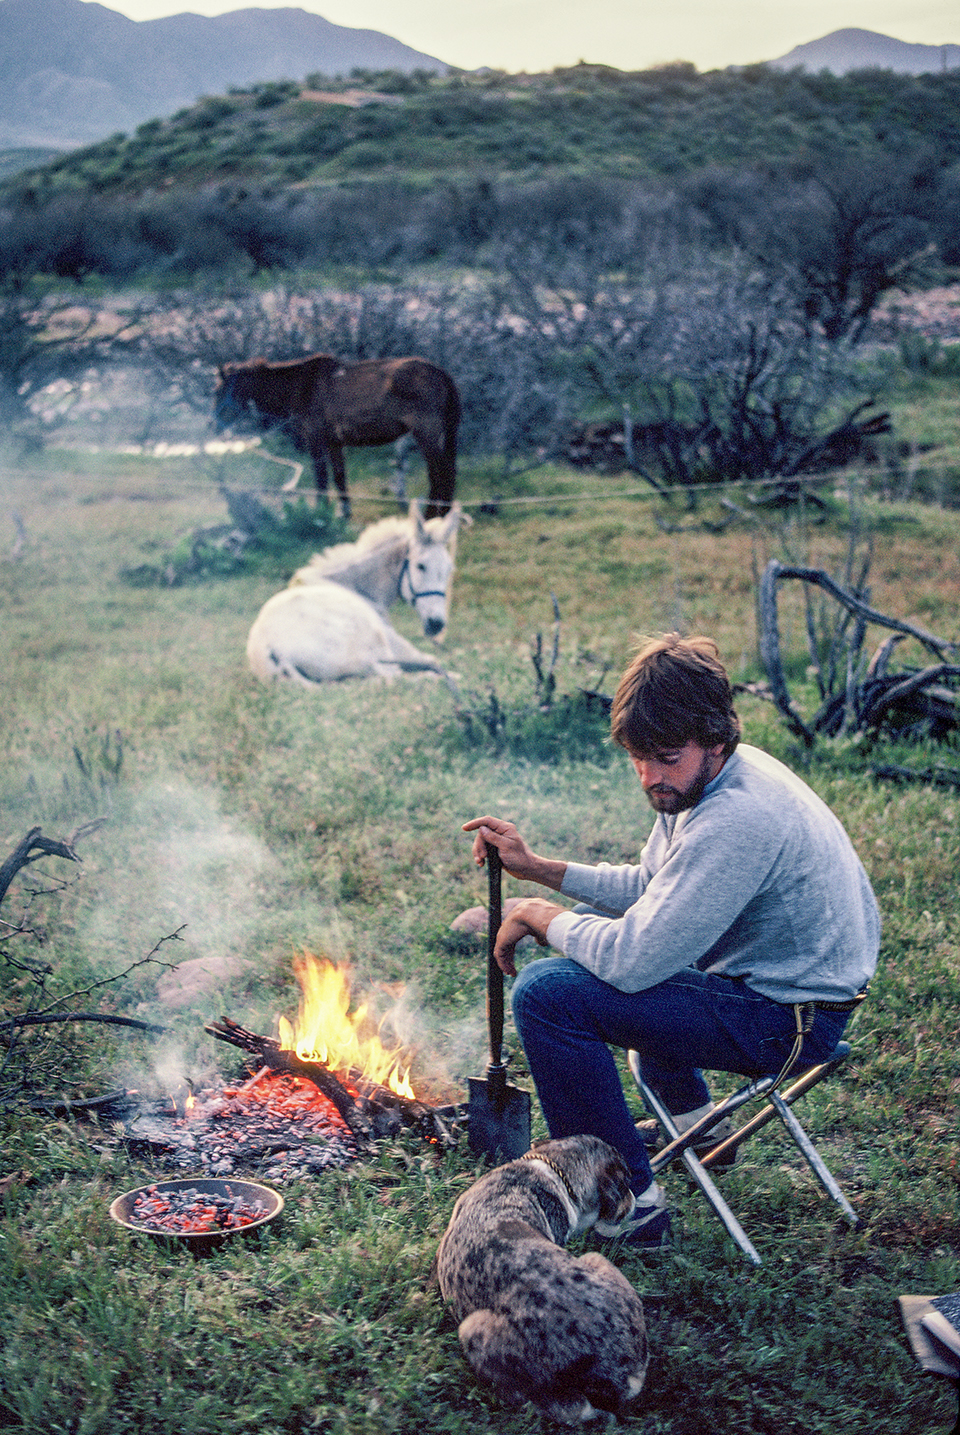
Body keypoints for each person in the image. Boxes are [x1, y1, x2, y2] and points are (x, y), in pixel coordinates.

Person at [463, 633, 880, 1250]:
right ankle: (702, 1133)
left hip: (790, 1020)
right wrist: (541, 870)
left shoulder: (738, 816)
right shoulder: (704, 782)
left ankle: (629, 1207)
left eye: (666, 758)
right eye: (638, 758)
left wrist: (542, 916)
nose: (651, 778)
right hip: (780, 994)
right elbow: (654, 887)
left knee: (549, 993)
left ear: (717, 738)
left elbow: (632, 960)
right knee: (608, 941)